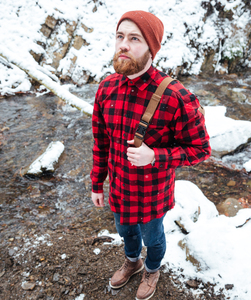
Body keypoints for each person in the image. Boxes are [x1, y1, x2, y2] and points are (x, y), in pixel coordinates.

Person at [90, 10, 211, 300]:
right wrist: (97, 183)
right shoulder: (106, 88)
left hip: (152, 194)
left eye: (134, 39)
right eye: (120, 36)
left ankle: (152, 268)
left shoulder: (177, 97)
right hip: (119, 188)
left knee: (153, 238)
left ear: (151, 48)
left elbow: (201, 150)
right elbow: (100, 141)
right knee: (125, 232)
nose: (123, 45)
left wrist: (155, 156)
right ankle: (132, 261)